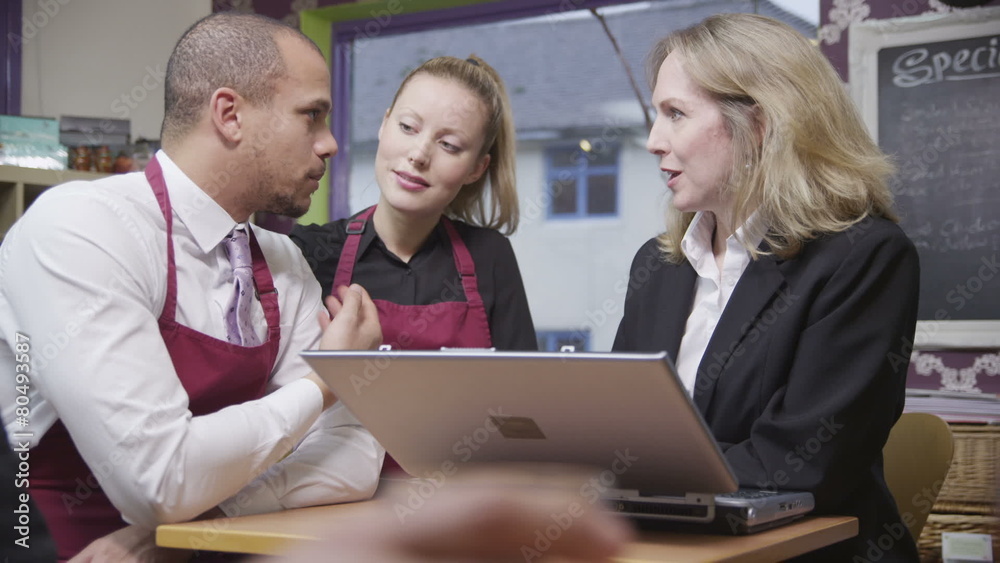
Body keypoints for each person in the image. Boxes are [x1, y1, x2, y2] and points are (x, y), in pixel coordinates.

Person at [0, 12, 385, 560]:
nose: (330, 145)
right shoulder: (81, 229)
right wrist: (324, 383)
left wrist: (189, 528)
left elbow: (352, 454)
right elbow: (160, 481)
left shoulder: (283, 260)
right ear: (229, 115)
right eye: (312, 116)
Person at [612, 13, 920, 562]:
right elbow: (621, 428)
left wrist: (637, 471)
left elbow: (803, 463)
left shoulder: (865, 257)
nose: (653, 141)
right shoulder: (657, 265)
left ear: (759, 123)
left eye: (675, 114)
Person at [290, 55, 536, 353]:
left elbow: (521, 393)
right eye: (407, 127)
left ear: (476, 168)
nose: (419, 154)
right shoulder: (306, 253)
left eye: (449, 145)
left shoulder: (490, 256)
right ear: (384, 125)